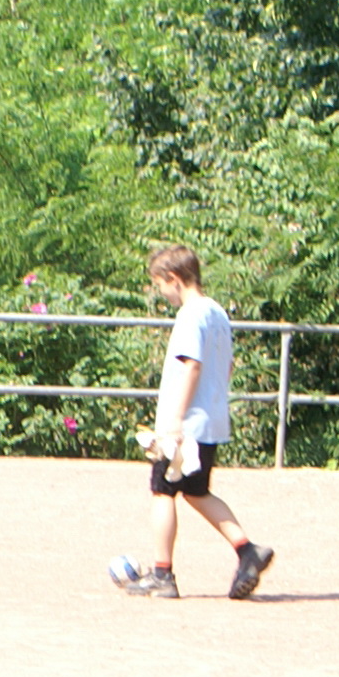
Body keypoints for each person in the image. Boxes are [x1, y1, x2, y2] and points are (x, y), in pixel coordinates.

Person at [117, 244, 275, 601]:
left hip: (185, 424)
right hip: (211, 419)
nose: (161, 292)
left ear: (174, 278)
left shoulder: (190, 314)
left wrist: (175, 420)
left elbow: (192, 366)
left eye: (160, 284)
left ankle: (162, 575)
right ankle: (247, 550)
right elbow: (227, 366)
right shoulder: (217, 312)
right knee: (196, 491)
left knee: (162, 491)